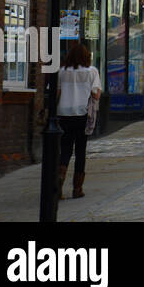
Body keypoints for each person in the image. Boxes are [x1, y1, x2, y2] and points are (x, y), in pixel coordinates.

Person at [57, 42, 102, 199]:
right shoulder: (92, 72)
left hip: (64, 114)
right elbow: (96, 95)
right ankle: (77, 188)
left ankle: (59, 180)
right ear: (86, 57)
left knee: (65, 149)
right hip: (82, 114)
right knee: (80, 151)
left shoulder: (62, 72)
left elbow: (58, 92)